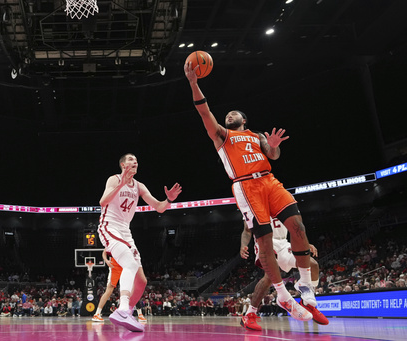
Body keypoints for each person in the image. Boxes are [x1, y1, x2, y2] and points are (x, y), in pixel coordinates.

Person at [184, 62, 315, 322]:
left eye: (234, 114)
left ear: (244, 120)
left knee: (298, 226)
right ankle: (282, 294)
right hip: (245, 185)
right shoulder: (222, 135)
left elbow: (274, 155)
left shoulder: (256, 136)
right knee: (264, 243)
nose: (229, 115)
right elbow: (203, 111)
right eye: (227, 114)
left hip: (269, 180)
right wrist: (193, 82)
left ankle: (305, 285)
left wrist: (274, 146)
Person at [98, 153, 182, 332]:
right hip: (109, 227)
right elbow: (102, 201)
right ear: (122, 164)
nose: (134, 162)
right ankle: (121, 309)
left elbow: (159, 207)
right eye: (130, 159)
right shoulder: (113, 179)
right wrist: (120, 185)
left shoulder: (139, 186)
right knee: (129, 264)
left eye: (136, 160)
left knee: (142, 281)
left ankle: (126, 313)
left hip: (125, 232)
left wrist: (169, 200)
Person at [240, 219, 329, 331]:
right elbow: (247, 230)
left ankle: (307, 303)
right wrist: (243, 245)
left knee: (313, 265)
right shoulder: (254, 204)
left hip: (283, 243)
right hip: (265, 241)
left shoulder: (282, 202)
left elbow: (294, 226)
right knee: (269, 277)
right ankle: (249, 314)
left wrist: (303, 243)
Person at [92, 249, 147, 323]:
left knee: (132, 289)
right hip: (114, 266)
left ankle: (140, 314)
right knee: (109, 291)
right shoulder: (113, 241)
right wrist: (107, 261)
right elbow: (104, 252)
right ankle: (97, 314)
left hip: (125, 266)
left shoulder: (126, 242)